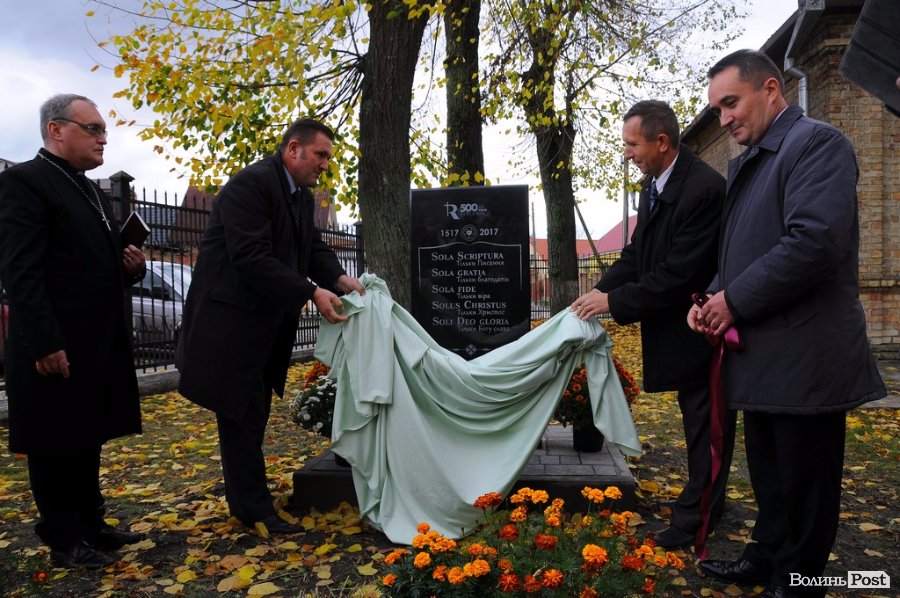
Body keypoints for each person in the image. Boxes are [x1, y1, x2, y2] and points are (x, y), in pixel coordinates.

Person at [690, 50, 886, 598]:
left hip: (807, 356)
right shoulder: (757, 160)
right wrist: (710, 298)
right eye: (717, 108)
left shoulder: (816, 145)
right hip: (765, 356)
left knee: (805, 482)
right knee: (771, 475)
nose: (724, 118)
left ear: (771, 89)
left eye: (731, 102)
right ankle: (768, 557)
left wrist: (733, 301)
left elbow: (813, 242)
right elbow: (742, 251)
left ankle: (797, 581)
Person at [176, 118, 364, 534]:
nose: (324, 165)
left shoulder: (299, 196)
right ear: (293, 149)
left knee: (253, 413)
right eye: (320, 155)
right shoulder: (251, 185)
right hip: (232, 327)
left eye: (327, 158)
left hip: (262, 328)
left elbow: (311, 246)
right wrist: (310, 291)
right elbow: (251, 257)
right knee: (240, 415)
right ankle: (254, 510)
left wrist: (338, 278)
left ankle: (250, 498)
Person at [571, 100, 731, 550]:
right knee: (696, 421)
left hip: (701, 329)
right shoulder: (654, 186)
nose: (627, 154)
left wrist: (613, 302)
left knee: (707, 426)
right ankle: (705, 501)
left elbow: (678, 274)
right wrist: (597, 293)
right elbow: (637, 255)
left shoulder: (703, 189)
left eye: (632, 144)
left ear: (661, 142)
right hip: (676, 331)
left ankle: (697, 518)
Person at [0, 94, 146, 568]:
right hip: (54, 341)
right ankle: (63, 538)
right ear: (56, 130)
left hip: (93, 339)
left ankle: (91, 523)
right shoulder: (24, 182)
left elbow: (89, 265)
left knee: (86, 434)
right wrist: (44, 341)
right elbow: (20, 270)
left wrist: (130, 268)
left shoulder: (90, 190)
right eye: (93, 128)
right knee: (53, 440)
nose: (103, 138)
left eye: (104, 130)